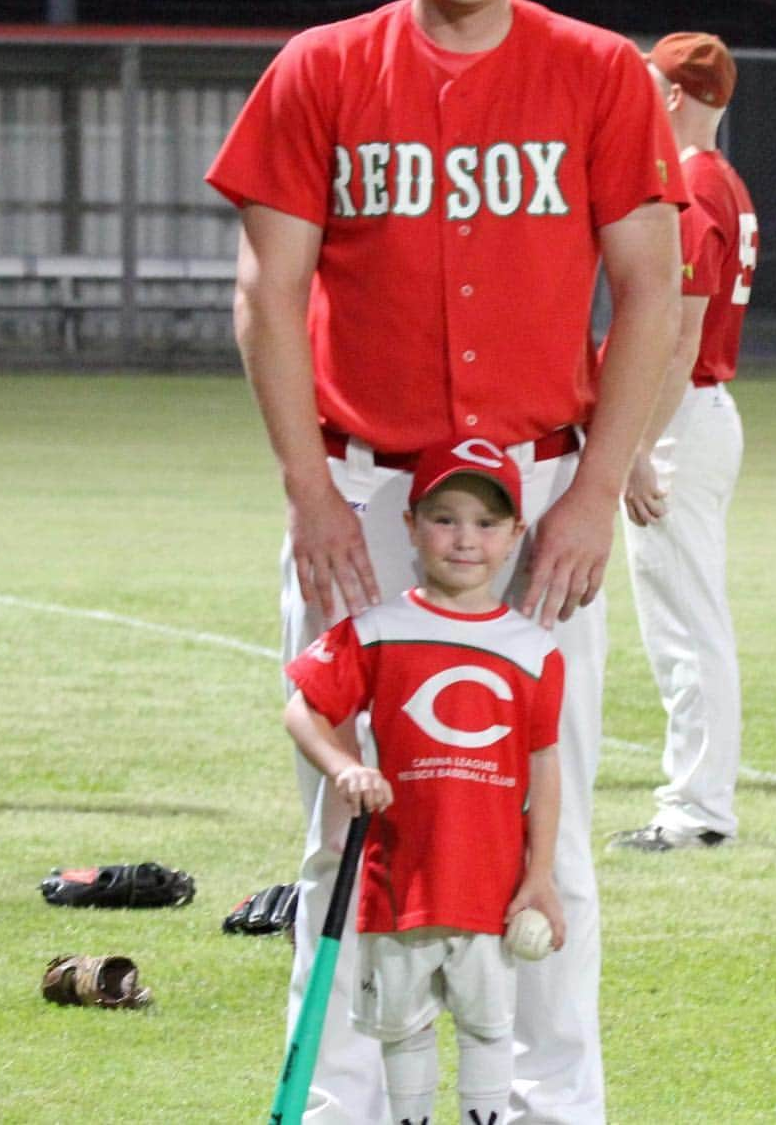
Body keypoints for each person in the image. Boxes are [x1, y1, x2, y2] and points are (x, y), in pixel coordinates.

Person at [205, 0, 684, 1125]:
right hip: (363, 491)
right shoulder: (321, 67)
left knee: (544, 816)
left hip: (537, 498)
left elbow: (652, 285)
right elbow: (268, 290)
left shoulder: (597, 73)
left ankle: (539, 1102)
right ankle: (349, 1100)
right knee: (349, 818)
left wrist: (595, 487)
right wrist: (309, 494)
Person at [284, 441, 565, 1125]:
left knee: (489, 1027)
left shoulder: (534, 651)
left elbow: (545, 767)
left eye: (486, 523)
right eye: (445, 518)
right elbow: (303, 708)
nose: (465, 539)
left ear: (514, 536)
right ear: (410, 526)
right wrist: (345, 766)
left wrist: (542, 875)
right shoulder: (378, 631)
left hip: (488, 882)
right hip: (397, 881)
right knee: (401, 1029)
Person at [610, 32, 759, 853]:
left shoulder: (693, 186)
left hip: (679, 417)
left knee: (686, 626)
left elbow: (676, 335)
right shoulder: (723, 179)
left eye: (645, 81)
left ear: (671, 96)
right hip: (696, 414)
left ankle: (698, 811)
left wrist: (634, 442)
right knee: (687, 618)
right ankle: (697, 802)